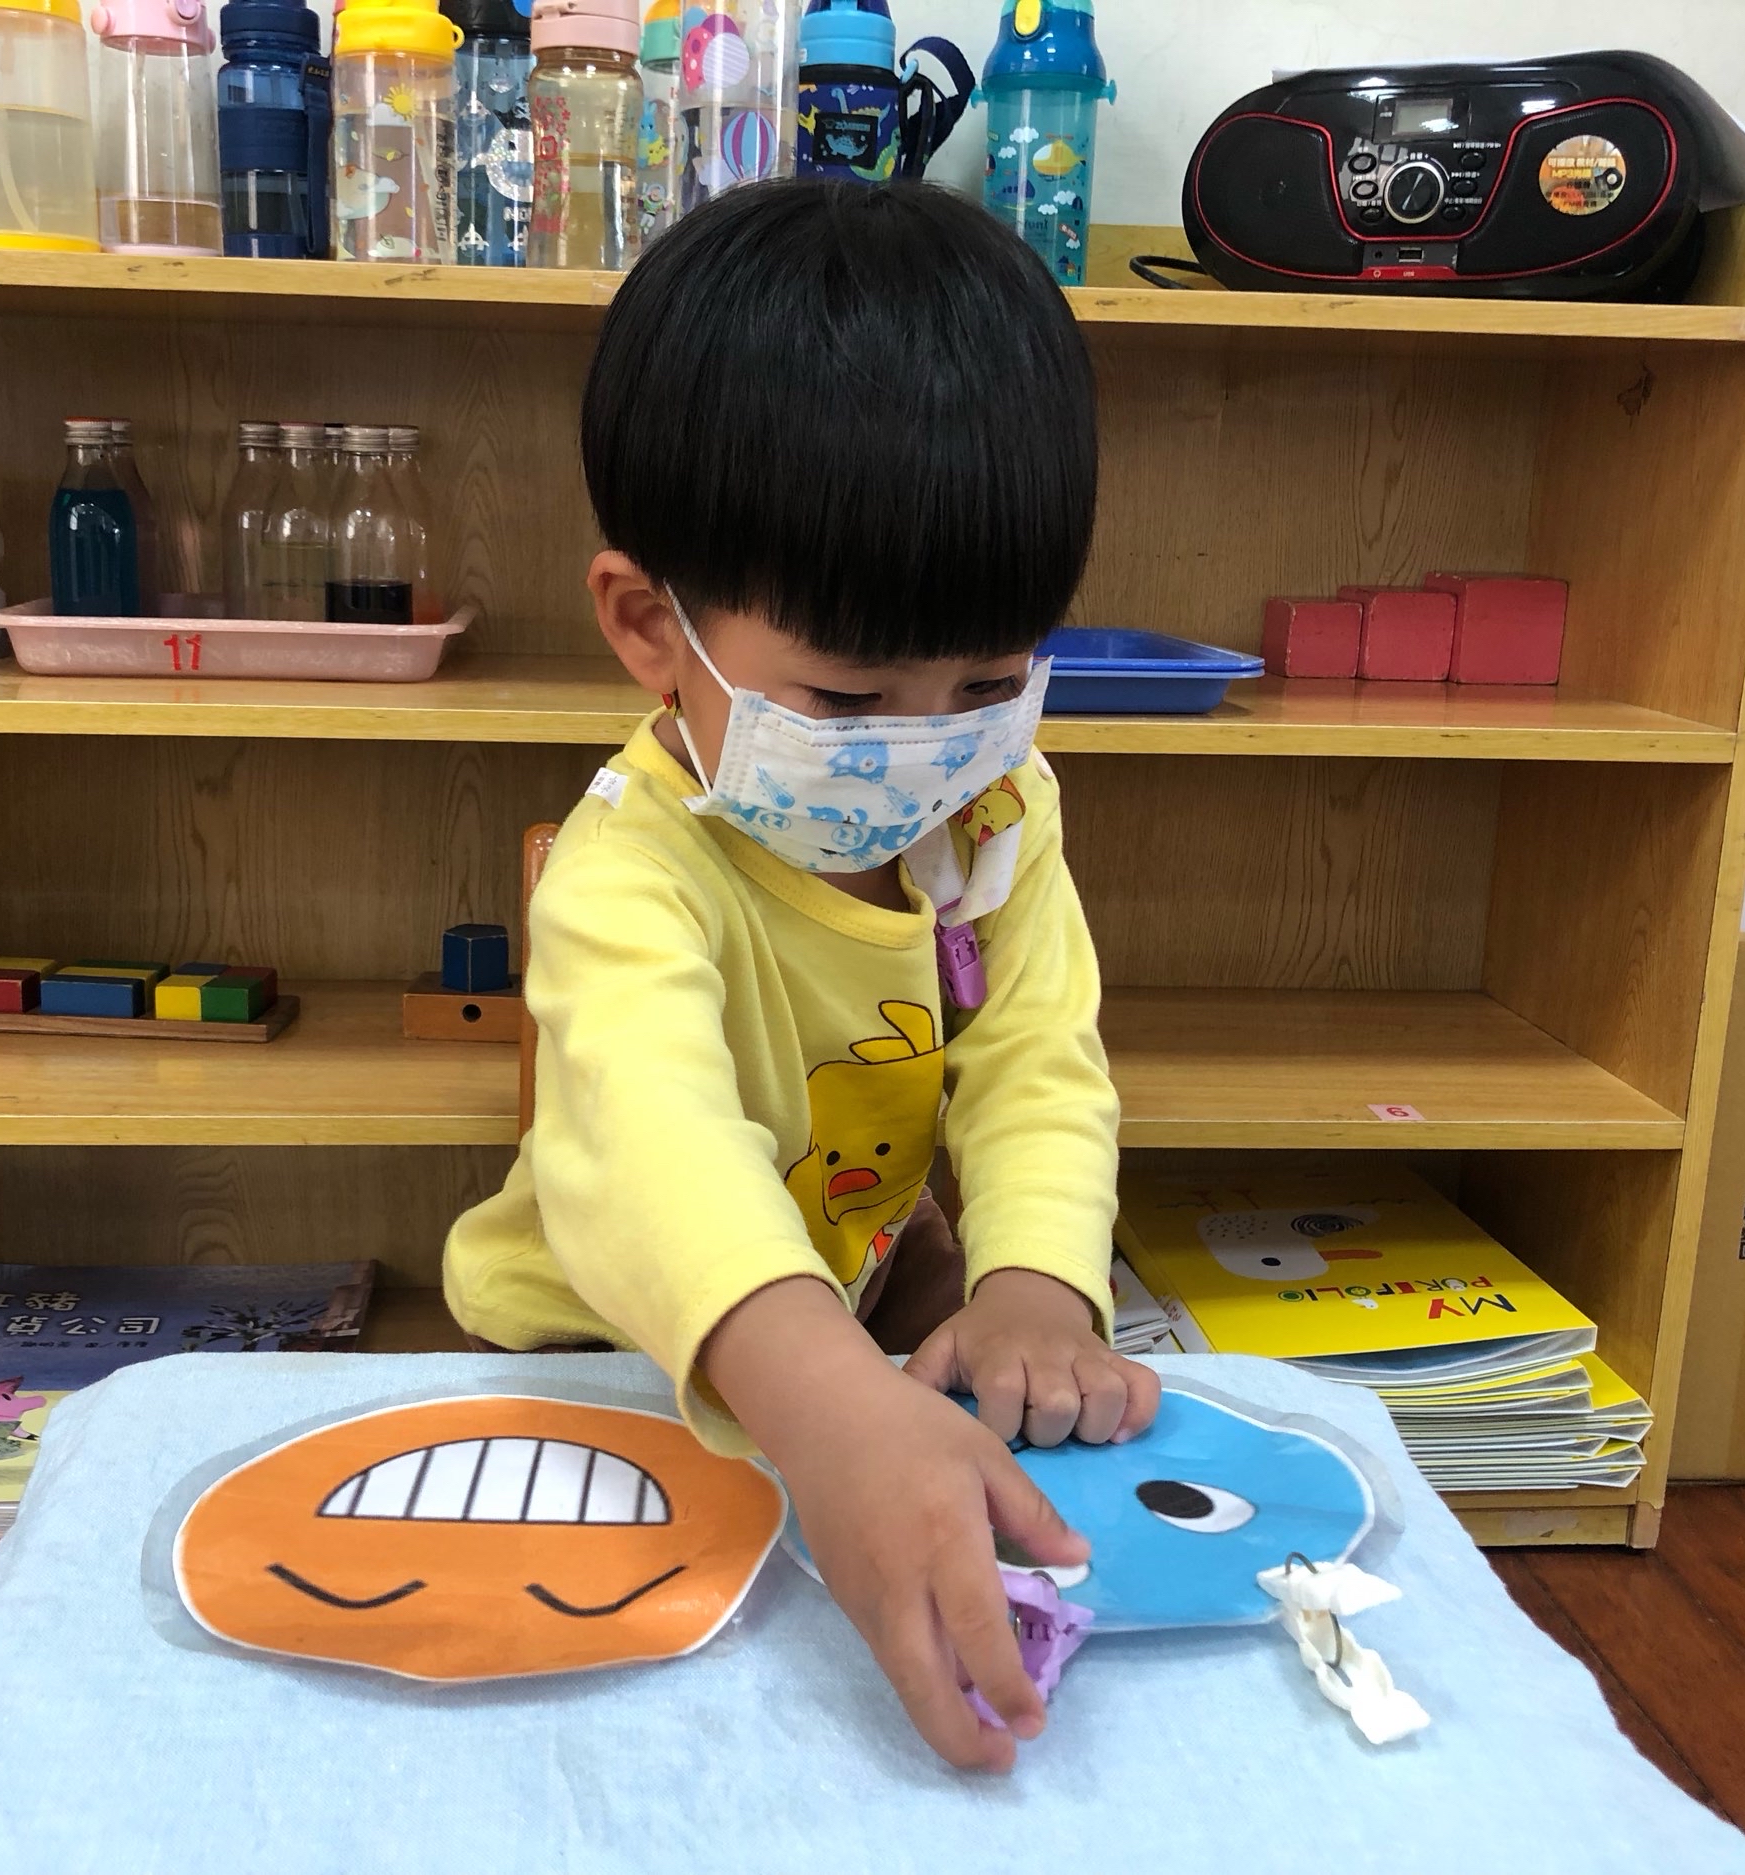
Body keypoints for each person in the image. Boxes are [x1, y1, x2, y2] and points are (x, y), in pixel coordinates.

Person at [442, 177, 1157, 1770]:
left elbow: (1038, 1061)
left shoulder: (999, 813)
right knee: (623, 1704)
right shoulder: (631, 870)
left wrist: (1039, 1284)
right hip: (608, 1347)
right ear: (649, 625)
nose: (929, 749)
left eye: (988, 682)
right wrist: (829, 1407)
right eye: (846, 701)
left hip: (852, 1296)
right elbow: (657, 1155)